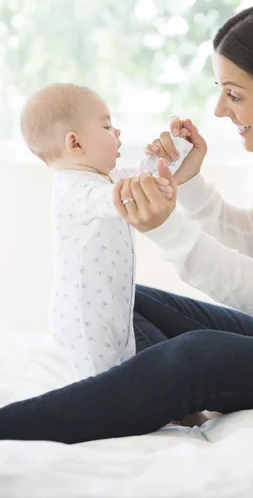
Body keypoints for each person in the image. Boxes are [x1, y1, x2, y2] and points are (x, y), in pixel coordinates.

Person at [1, 0, 253, 444]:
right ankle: (132, 398)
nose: (218, 109)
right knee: (120, 295)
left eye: (234, 94)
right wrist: (187, 185)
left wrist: (166, 228)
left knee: (195, 357)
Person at [20, 83, 190, 379]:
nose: (118, 132)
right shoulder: (72, 186)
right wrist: (139, 188)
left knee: (131, 363)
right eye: (107, 125)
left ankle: (175, 408)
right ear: (75, 144)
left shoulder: (105, 178)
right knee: (105, 381)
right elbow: (109, 199)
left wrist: (169, 155)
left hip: (112, 305)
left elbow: (141, 177)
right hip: (84, 315)